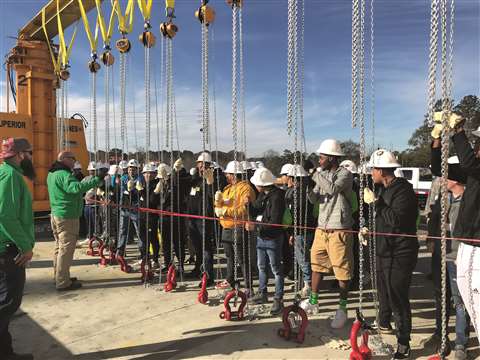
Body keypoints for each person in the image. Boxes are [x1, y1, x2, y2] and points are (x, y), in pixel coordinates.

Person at [432, 111, 480, 357]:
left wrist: (459, 132)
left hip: (472, 249)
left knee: (467, 300)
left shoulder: (475, 174)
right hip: (457, 248)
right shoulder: (468, 179)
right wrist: (437, 139)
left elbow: (470, 163)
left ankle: (463, 341)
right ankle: (451, 338)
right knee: (453, 295)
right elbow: (436, 168)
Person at [363, 149, 419, 359]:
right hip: (384, 250)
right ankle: (383, 322)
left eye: (373, 170)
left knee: (398, 298)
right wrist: (370, 229)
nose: (371, 174)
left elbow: (397, 220)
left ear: (382, 171)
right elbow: (384, 220)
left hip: (400, 253)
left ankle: (404, 343)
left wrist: (376, 204)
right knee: (384, 292)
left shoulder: (403, 191)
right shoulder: (384, 189)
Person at [301, 139, 354, 330]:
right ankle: (314, 301)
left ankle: (342, 308)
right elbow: (315, 198)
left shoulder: (345, 174)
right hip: (321, 227)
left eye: (322, 157)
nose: (319, 160)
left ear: (332, 158)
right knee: (317, 264)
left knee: (341, 269)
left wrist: (314, 174)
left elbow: (332, 189)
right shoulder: (321, 174)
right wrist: (307, 184)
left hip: (339, 228)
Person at [425, 148, 469, 358]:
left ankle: (461, 343)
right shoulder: (444, 199)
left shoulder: (470, 202)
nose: (442, 179)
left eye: (446, 175)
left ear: (456, 178)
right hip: (441, 256)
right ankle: (441, 336)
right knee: (440, 298)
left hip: (459, 258)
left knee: (460, 301)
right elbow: (432, 219)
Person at [0, 138, 35, 360]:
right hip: (9, 250)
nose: (32, 157)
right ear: (20, 154)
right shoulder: (11, 176)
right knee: (8, 303)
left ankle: (6, 353)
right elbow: (5, 215)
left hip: (5, 247)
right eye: (29, 153)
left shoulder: (5, 173)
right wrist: (25, 247)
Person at [47, 151, 100, 290]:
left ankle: (59, 276)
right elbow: (76, 188)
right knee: (66, 249)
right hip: (67, 216)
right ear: (64, 159)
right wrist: (96, 179)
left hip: (56, 214)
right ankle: (63, 282)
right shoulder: (63, 175)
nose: (74, 162)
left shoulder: (52, 173)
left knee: (59, 247)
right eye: (72, 159)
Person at [248, 167, 286, 315]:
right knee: (261, 266)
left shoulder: (277, 197)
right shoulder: (263, 195)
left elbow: (275, 221)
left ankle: (278, 298)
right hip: (262, 236)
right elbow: (256, 210)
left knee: (276, 268)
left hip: (273, 238)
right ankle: (262, 292)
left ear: (263, 184)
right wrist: (249, 204)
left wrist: (255, 225)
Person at [214, 160, 256, 290]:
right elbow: (220, 206)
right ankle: (229, 279)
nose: (226, 176)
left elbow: (244, 209)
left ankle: (249, 287)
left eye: (228, 174)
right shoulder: (227, 189)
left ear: (233, 174)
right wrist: (217, 203)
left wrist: (226, 211)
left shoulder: (245, 188)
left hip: (238, 226)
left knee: (242, 259)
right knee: (229, 256)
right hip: (226, 227)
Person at [285, 164, 315, 298]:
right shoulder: (308, 191)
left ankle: (308, 284)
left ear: (293, 179)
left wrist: (291, 233)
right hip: (308, 229)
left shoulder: (295, 194)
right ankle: (306, 282)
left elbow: (293, 216)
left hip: (300, 231)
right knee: (304, 257)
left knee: (302, 258)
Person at [186, 153, 216, 285]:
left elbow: (213, 197)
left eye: (205, 164)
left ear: (209, 165)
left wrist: (210, 183)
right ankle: (198, 269)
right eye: (200, 164)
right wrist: (177, 172)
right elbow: (182, 184)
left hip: (204, 218)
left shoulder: (213, 179)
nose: (202, 167)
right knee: (197, 246)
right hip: (192, 218)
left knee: (205, 248)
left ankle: (208, 276)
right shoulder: (195, 179)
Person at [117, 159, 143, 265]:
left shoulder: (140, 178)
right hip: (124, 208)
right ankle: (120, 252)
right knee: (122, 230)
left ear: (137, 170)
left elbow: (140, 193)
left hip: (135, 209)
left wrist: (134, 189)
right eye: (129, 168)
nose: (131, 170)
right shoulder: (124, 178)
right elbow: (121, 192)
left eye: (133, 169)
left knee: (139, 231)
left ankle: (143, 253)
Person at [137, 164, 161, 269]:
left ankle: (155, 259)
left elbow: (150, 202)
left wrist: (141, 192)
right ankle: (145, 258)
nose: (148, 175)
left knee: (152, 238)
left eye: (150, 173)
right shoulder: (143, 184)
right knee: (143, 238)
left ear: (154, 174)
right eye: (146, 173)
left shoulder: (155, 185)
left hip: (151, 217)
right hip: (142, 216)